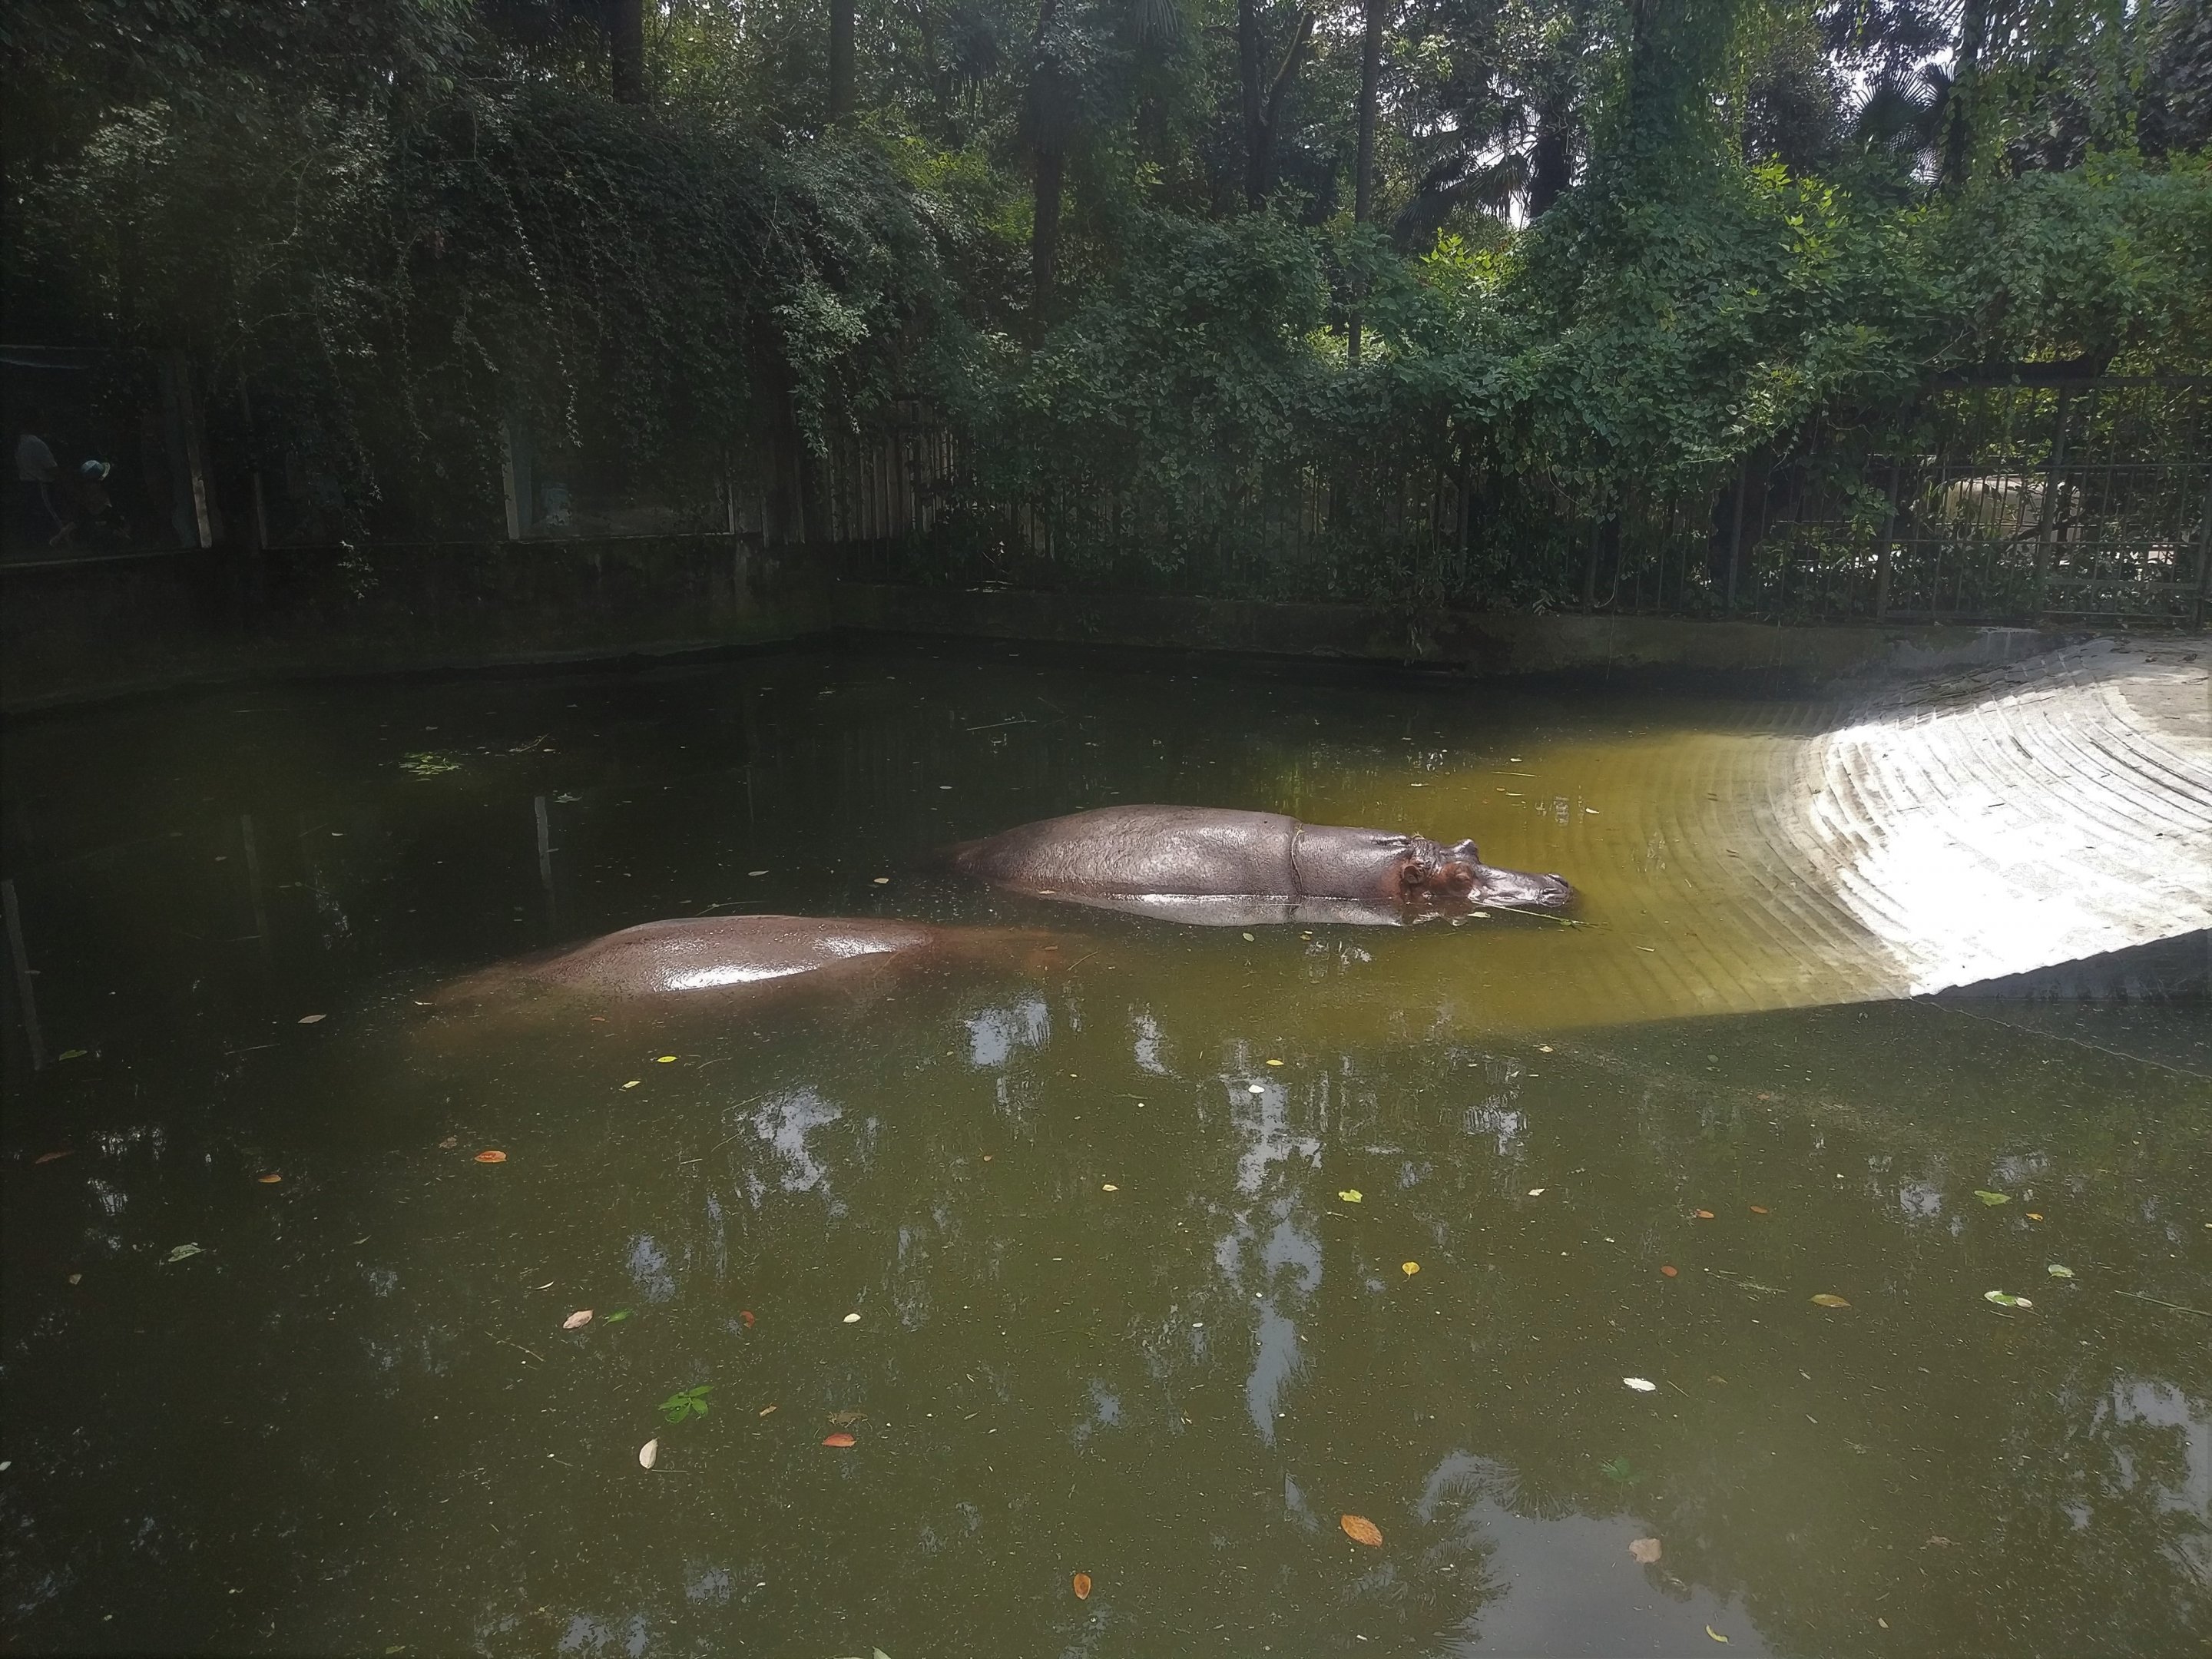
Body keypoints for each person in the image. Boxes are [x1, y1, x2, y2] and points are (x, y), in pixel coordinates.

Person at [15, 411, 68, 548]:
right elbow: (51, 468)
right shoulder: (35, 443)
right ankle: (65, 539)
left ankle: (37, 543)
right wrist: (65, 482)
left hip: (27, 485)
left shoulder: (20, 441)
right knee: (51, 513)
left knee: (36, 515)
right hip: (40, 484)